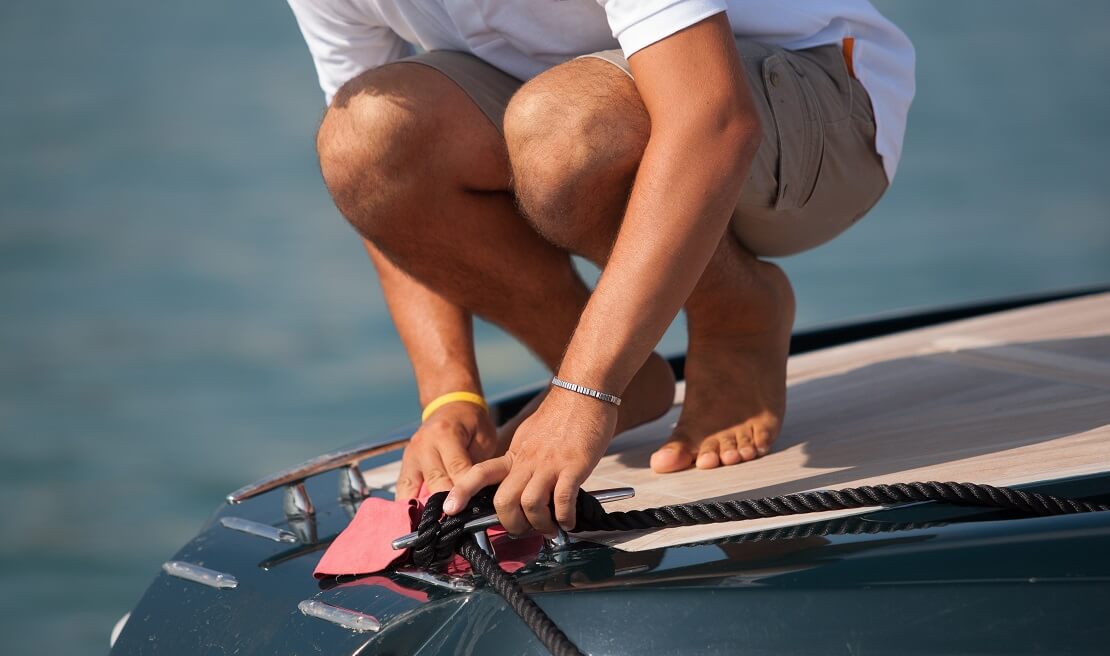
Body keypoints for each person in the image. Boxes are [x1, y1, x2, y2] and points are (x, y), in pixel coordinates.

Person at [287, 0, 914, 537]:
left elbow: (715, 122)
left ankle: (735, 316)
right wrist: (448, 397)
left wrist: (583, 394)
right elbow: (384, 183)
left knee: (562, 130)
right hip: (574, 109)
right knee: (362, 136)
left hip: (822, 106)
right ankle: (625, 367)